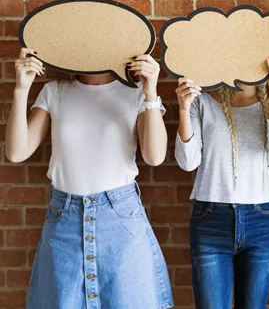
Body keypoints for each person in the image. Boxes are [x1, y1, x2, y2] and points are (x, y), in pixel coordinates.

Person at [7, 49, 173, 309]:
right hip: (65, 219)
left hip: (120, 219)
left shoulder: (135, 93)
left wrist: (150, 91)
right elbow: (17, 152)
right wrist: (21, 89)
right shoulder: (55, 91)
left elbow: (154, 156)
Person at [174, 55, 269, 309]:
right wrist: (184, 109)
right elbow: (188, 162)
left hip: (260, 220)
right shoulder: (203, 101)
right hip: (210, 220)